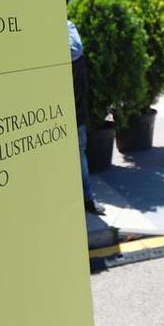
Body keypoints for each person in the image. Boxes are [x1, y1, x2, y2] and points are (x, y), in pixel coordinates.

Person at [68, 21, 103, 214]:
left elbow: (75, 50)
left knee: (80, 153)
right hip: (60, 113)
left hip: (75, 113)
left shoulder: (67, 27)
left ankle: (87, 198)